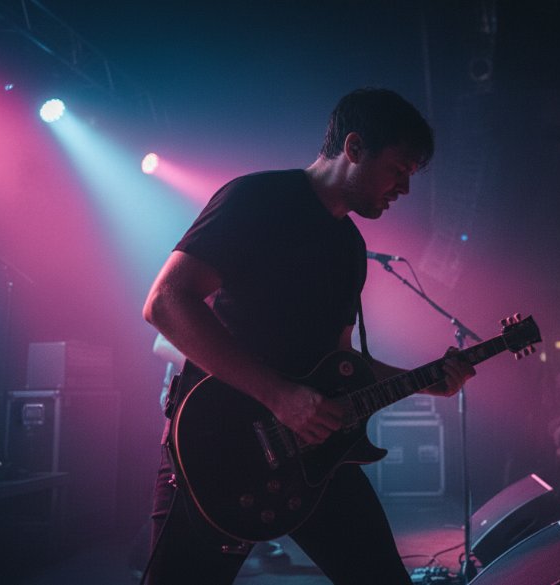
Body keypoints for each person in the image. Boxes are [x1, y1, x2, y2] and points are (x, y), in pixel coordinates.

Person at [140, 88, 475, 585]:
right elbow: (165, 302)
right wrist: (279, 397)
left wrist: (428, 380)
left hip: (314, 452)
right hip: (219, 442)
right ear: (355, 147)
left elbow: (339, 362)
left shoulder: (350, 245)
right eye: (398, 169)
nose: (403, 188)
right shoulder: (257, 199)